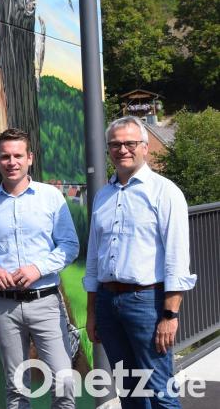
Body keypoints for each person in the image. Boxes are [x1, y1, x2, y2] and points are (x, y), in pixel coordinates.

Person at [84, 116, 196, 408]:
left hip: (146, 302)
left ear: (145, 147)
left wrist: (170, 316)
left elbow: (176, 258)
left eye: (130, 143)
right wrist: (92, 311)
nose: (122, 149)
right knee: (129, 393)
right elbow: (94, 259)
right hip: (108, 303)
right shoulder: (103, 196)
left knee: (160, 392)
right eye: (116, 144)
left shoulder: (164, 192)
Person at [0, 128, 79, 409]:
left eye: (18, 155)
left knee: (63, 381)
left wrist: (38, 268)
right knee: (16, 387)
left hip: (45, 303)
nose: (11, 162)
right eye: (5, 156)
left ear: (30, 158)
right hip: (3, 306)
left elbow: (69, 245)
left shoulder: (50, 197)